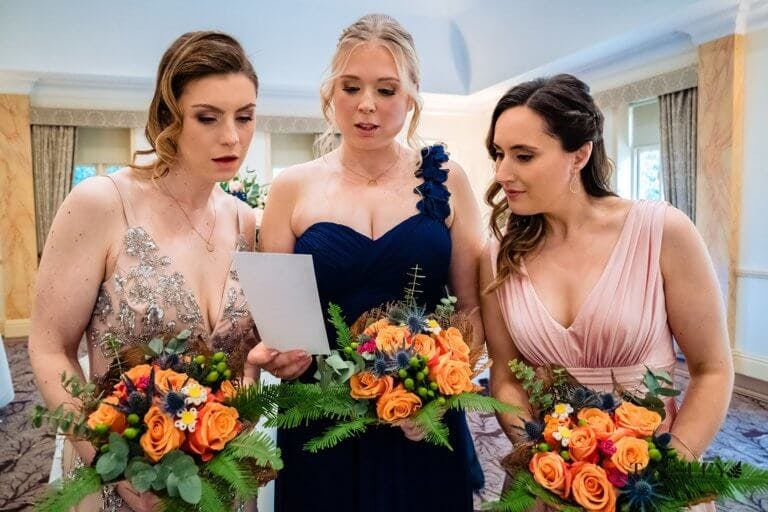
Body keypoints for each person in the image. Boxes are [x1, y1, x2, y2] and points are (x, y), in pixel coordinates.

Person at [28, 31, 305, 511]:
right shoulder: (103, 203)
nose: (232, 137)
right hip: (121, 481)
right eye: (207, 117)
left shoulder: (244, 219)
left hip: (219, 480)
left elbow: (237, 362)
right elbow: (49, 348)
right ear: (168, 116)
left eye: (245, 116)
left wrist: (266, 360)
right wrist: (110, 466)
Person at [256, 13, 485, 512]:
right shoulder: (291, 187)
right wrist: (281, 355)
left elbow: (470, 309)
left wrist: (438, 393)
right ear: (329, 92)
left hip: (421, 416)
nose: (367, 105)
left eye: (386, 89)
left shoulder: (448, 179)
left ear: (411, 95)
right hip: (322, 415)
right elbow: (279, 321)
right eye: (351, 86)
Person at [480, 74, 732, 511]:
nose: (503, 174)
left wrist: (665, 474)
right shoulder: (500, 252)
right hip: (547, 485)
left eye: (524, 156)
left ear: (579, 154)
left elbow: (712, 369)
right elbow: (504, 375)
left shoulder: (663, 231)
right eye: (499, 154)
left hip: (650, 479)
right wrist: (543, 463)